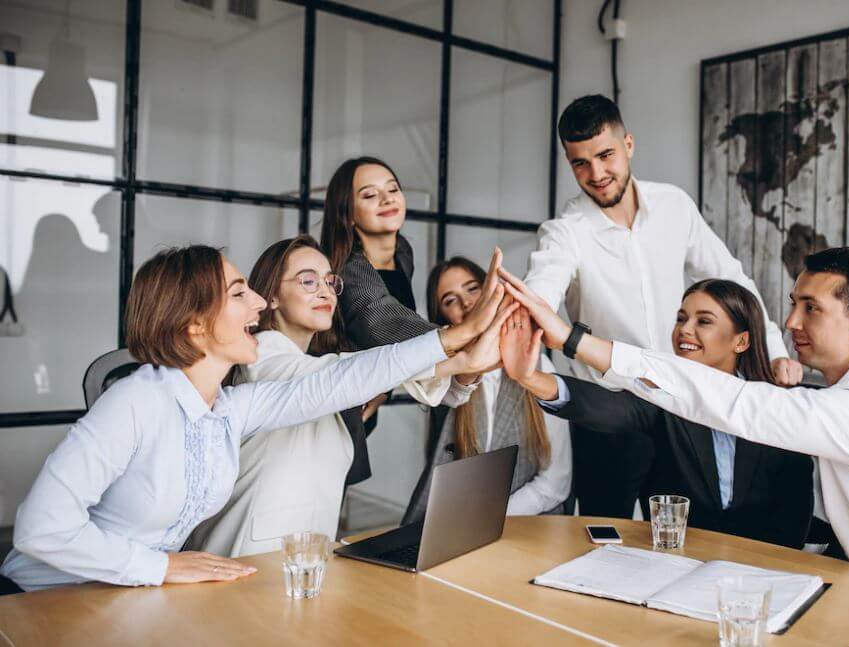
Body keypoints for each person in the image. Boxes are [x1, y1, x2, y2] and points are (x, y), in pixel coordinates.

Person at [0, 244, 512, 593]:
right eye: (240, 292)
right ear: (195, 323)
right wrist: (161, 567)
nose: (260, 303)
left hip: (127, 595)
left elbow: (332, 383)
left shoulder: (228, 410)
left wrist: (451, 345)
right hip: (39, 600)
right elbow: (40, 530)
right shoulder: (132, 402)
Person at [498, 247, 849, 593]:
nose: (790, 322)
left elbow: (735, 402)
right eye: (794, 303)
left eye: (812, 309)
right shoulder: (846, 398)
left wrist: (571, 339)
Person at [523, 94, 802, 518]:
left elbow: (733, 279)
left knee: (684, 539)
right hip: (607, 414)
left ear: (629, 145)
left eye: (606, 155)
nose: (596, 174)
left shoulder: (674, 205)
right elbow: (540, 294)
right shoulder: (566, 232)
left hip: (678, 410)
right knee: (603, 539)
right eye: (580, 163)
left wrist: (776, 351)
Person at [186, 237, 479, 557]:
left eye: (329, 281)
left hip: (301, 567)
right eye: (308, 281)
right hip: (242, 562)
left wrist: (468, 365)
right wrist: (459, 346)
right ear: (270, 297)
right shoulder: (263, 357)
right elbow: (341, 376)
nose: (325, 291)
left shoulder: (322, 369)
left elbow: (434, 389)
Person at [501, 279, 813, 548]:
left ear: (741, 340)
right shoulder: (665, 397)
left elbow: (793, 517)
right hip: (677, 564)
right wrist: (531, 378)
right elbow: (608, 408)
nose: (684, 330)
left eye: (703, 321)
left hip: (762, 573)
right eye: (681, 318)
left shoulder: (777, 408)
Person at [320, 156, 496, 472]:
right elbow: (380, 322)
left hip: (366, 396)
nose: (387, 199)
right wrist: (467, 333)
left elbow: (394, 335)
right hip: (332, 404)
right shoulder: (347, 268)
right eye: (370, 195)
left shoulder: (402, 253)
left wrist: (385, 388)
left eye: (393, 189)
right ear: (348, 215)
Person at [404, 257, 572, 521]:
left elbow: (555, 483)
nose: (467, 303)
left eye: (472, 289)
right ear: (442, 319)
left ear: (492, 290)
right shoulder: (445, 380)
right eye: (450, 300)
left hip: (530, 524)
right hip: (456, 523)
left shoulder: (539, 368)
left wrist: (488, 517)